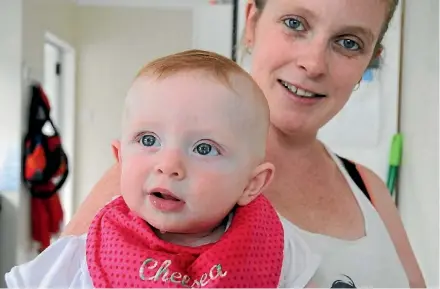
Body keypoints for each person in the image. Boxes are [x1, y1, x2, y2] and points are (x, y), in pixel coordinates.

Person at [62, 0, 426, 287]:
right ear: (252, 21)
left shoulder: (369, 188)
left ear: (369, 61)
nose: (314, 64)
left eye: (349, 43)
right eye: (295, 23)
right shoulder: (155, 181)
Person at [5, 50, 321, 288]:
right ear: (121, 158)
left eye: (204, 148)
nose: (168, 166)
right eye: (148, 139)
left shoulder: (276, 247)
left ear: (251, 184)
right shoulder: (83, 255)